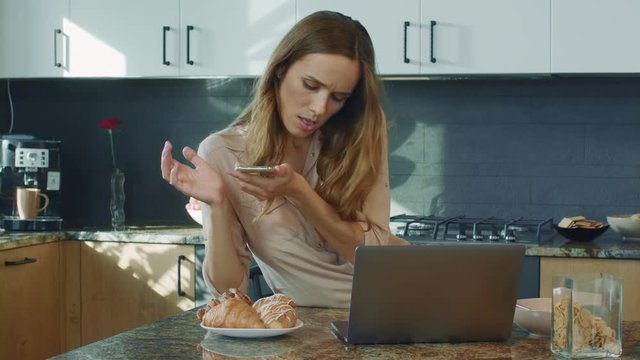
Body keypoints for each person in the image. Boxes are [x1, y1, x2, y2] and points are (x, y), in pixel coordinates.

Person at [161, 10, 407, 309]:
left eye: (338, 97)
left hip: (401, 305)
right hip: (310, 330)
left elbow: (377, 257)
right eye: (311, 85)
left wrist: (298, 191)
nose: (319, 108)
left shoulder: (361, 128)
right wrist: (217, 204)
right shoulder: (223, 152)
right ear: (280, 69)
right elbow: (227, 290)